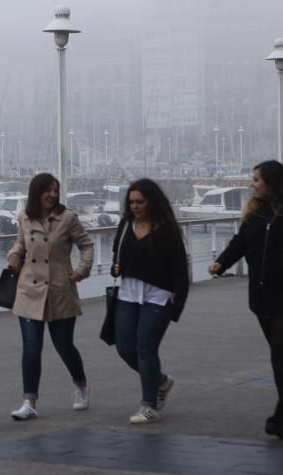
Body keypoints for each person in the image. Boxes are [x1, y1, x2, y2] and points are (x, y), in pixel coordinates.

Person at [209, 160, 283, 439]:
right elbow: (241, 242)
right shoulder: (255, 210)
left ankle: (282, 412)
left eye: (257, 179)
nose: (253, 184)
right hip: (261, 293)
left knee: (281, 349)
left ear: (272, 181)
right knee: (278, 351)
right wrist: (221, 263)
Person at [6, 172, 94, 420]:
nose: (53, 195)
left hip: (59, 290)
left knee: (64, 345)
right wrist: (12, 255)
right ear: (37, 192)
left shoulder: (68, 219)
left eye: (56, 190)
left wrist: (81, 271)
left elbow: (86, 245)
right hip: (28, 291)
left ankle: (81, 386)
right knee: (31, 348)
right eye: (48, 190)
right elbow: (20, 245)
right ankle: (29, 402)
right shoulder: (24, 217)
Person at [110, 179, 189, 424]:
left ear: (151, 202)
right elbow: (117, 256)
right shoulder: (125, 225)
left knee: (145, 348)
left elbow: (179, 269)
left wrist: (177, 304)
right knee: (124, 347)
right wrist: (116, 268)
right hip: (128, 293)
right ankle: (161, 381)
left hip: (158, 296)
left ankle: (149, 405)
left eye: (140, 202)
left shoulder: (166, 229)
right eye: (131, 202)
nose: (135, 206)